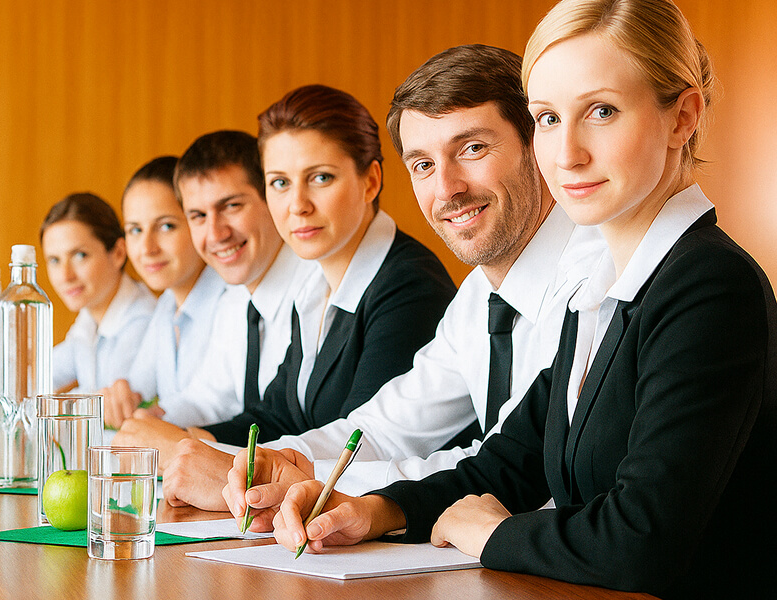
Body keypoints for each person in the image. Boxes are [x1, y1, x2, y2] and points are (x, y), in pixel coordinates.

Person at [269, 1, 777, 598]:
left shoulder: (708, 285)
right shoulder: (598, 284)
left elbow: (644, 539)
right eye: (549, 119)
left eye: (602, 112)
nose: (567, 155)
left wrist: (495, 535)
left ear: (682, 117)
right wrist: (375, 511)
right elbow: (509, 464)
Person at [218, 45, 605, 523]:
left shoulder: (597, 282)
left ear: (537, 145)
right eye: (424, 165)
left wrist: (332, 487)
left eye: (472, 149)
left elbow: (503, 470)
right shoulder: (479, 295)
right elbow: (387, 428)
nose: (447, 188)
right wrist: (286, 462)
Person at [158, 84, 457, 508]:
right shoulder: (315, 286)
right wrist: (194, 443)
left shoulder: (409, 286)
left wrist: (221, 465)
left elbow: (367, 444)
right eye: (279, 183)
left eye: (320, 178)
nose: (297, 205)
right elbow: (279, 413)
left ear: (371, 181)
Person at [111, 130, 319, 439]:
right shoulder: (236, 297)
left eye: (232, 206)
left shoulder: (318, 286)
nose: (216, 234)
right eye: (197, 215)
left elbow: (292, 422)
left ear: (272, 197)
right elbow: (210, 398)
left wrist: (188, 440)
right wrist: (156, 421)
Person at [102, 156, 227, 428]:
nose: (147, 248)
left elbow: (215, 406)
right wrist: (120, 395)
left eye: (166, 226)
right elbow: (137, 387)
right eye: (135, 230)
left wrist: (151, 416)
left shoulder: (232, 300)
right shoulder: (167, 305)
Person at [40, 192, 156, 394]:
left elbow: (103, 405)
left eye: (79, 255)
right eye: (54, 260)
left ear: (119, 253)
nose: (65, 276)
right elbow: (39, 375)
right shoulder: (89, 318)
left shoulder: (143, 320)